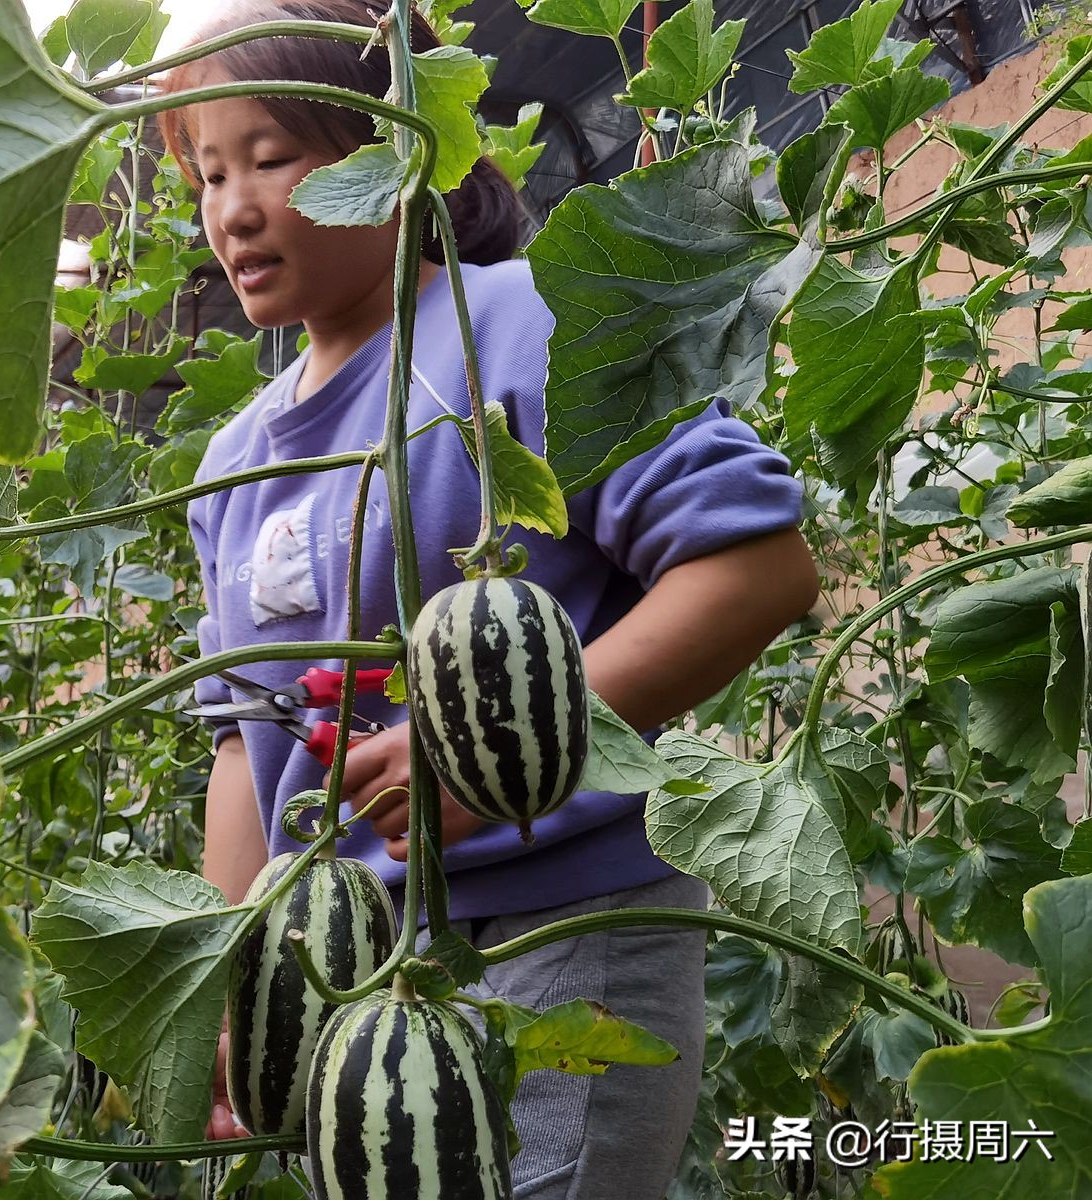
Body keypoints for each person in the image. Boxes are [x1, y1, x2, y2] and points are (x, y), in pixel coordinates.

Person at [165, 2, 820, 1197]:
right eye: (209, 172)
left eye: (273, 156)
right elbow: (239, 743)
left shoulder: (524, 325)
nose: (234, 207)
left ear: (400, 154)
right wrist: (228, 975)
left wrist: (489, 760)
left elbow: (758, 570)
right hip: (345, 975)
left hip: (563, 936)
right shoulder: (233, 462)